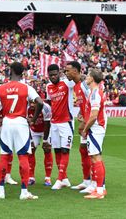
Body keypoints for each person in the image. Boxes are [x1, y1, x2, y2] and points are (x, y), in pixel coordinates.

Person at [0, 62, 43, 200]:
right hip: (21, 123)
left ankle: (1, 191)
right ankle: (24, 191)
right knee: (23, 156)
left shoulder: (1, 88)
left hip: (7, 122)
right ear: (22, 73)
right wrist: (33, 120)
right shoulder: (26, 88)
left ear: (10, 71)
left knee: (4, 155)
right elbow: (39, 102)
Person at [46, 64, 75, 190]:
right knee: (57, 150)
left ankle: (59, 178)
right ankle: (65, 179)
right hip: (54, 123)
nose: (53, 77)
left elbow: (78, 79)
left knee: (65, 150)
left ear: (59, 73)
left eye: (55, 74)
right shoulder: (48, 87)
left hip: (66, 122)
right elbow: (49, 103)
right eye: (51, 75)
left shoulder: (67, 84)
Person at [64, 61, 92, 192]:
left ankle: (95, 183)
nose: (66, 73)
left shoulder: (85, 84)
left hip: (93, 122)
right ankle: (87, 181)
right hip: (86, 120)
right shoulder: (76, 86)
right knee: (83, 150)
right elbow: (85, 103)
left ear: (75, 71)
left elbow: (94, 102)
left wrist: (85, 122)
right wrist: (81, 112)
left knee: (92, 152)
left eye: (67, 71)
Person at [82, 69, 107, 199]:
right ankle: (100, 187)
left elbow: (94, 116)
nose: (86, 78)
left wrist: (85, 129)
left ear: (92, 78)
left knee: (95, 157)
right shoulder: (94, 92)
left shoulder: (95, 94)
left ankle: (99, 191)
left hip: (95, 129)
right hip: (97, 128)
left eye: (87, 76)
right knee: (96, 157)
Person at [28, 101, 52, 186]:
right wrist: (30, 140)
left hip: (46, 130)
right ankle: (31, 177)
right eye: (30, 102)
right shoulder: (26, 107)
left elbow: (47, 124)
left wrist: (45, 141)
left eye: (34, 103)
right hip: (34, 130)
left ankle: (48, 178)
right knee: (31, 150)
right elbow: (26, 125)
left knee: (47, 149)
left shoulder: (46, 108)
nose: (32, 105)